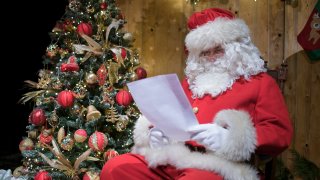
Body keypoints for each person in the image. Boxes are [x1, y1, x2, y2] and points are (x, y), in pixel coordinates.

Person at [100, 8, 293, 180]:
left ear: (235, 49)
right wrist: (156, 134)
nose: (210, 57)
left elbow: (279, 133)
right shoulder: (190, 83)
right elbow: (172, 118)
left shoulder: (260, 83)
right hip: (175, 157)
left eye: (218, 50)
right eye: (204, 53)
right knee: (115, 168)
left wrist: (230, 139)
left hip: (222, 166)